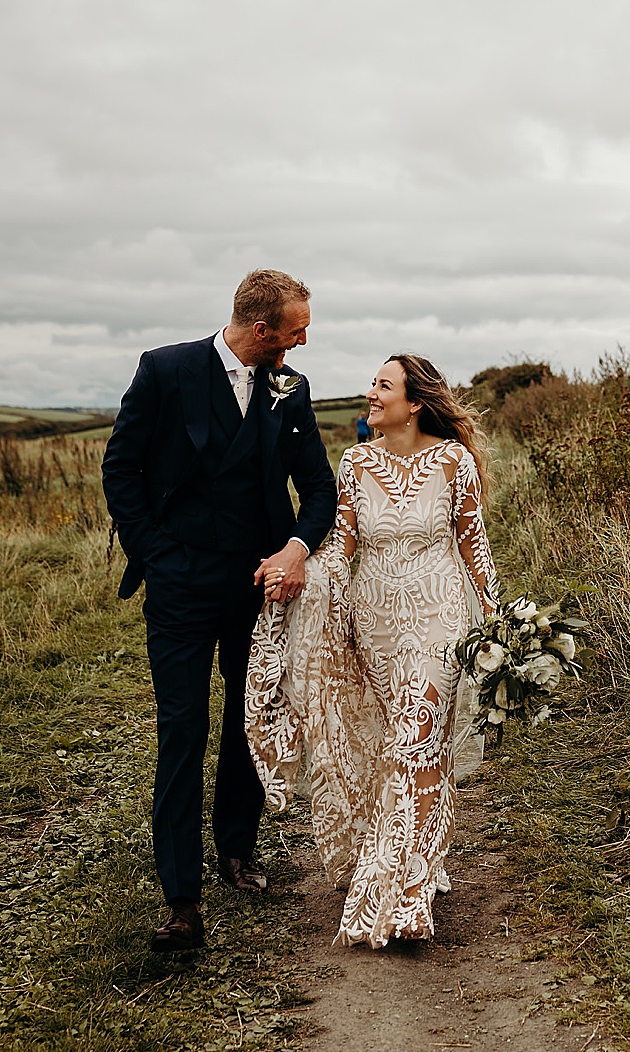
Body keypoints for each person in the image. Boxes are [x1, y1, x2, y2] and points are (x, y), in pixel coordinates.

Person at [102, 268, 336, 952]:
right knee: (182, 729)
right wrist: (157, 553)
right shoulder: (166, 370)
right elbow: (122, 469)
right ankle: (181, 900)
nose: (299, 346)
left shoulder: (290, 391)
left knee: (247, 716)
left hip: (258, 585)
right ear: (260, 330)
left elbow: (317, 488)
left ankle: (238, 850)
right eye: (294, 333)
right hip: (179, 583)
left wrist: (295, 548)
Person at [247, 354, 497, 947]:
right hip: (374, 624)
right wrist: (300, 569)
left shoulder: (454, 462)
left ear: (414, 403)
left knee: (418, 741)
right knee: (402, 750)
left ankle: (403, 900)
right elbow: (343, 545)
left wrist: (499, 624)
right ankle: (420, 864)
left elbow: (474, 549)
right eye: (373, 384)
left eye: (383, 386)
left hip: (439, 620)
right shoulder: (355, 462)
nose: (371, 394)